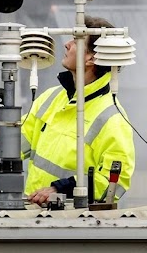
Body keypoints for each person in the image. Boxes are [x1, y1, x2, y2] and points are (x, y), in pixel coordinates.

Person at [22, 15, 136, 206]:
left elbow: (114, 183)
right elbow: (17, 140)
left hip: (73, 225)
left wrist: (61, 189)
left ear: (92, 58)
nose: (66, 44)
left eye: (76, 41)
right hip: (30, 216)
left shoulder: (113, 118)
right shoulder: (51, 97)